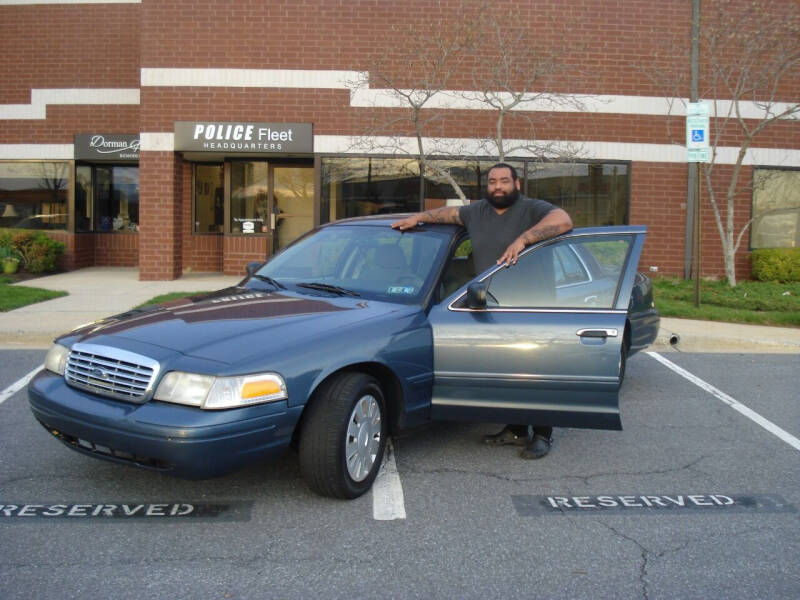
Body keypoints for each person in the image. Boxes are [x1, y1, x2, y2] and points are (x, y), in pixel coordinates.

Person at [392, 163, 573, 459]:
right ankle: (516, 429)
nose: (498, 187)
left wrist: (524, 239)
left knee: (536, 373)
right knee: (508, 372)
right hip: (493, 305)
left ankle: (542, 434)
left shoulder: (533, 209)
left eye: (504, 181)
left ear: (517, 183)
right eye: (492, 182)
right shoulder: (477, 212)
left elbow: (564, 220)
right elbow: (447, 214)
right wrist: (418, 218)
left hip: (533, 306)